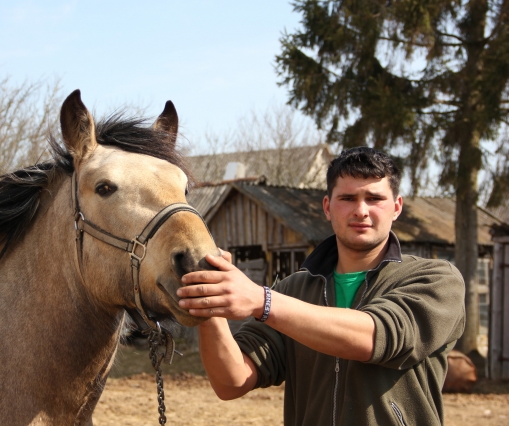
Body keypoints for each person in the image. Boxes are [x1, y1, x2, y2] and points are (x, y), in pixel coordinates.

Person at [177, 147, 465, 426]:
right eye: (348, 198)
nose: (361, 211)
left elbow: (376, 336)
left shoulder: (436, 279)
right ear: (328, 207)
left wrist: (262, 300)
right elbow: (232, 381)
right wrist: (209, 298)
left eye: (374, 198)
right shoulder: (293, 291)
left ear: (396, 207)